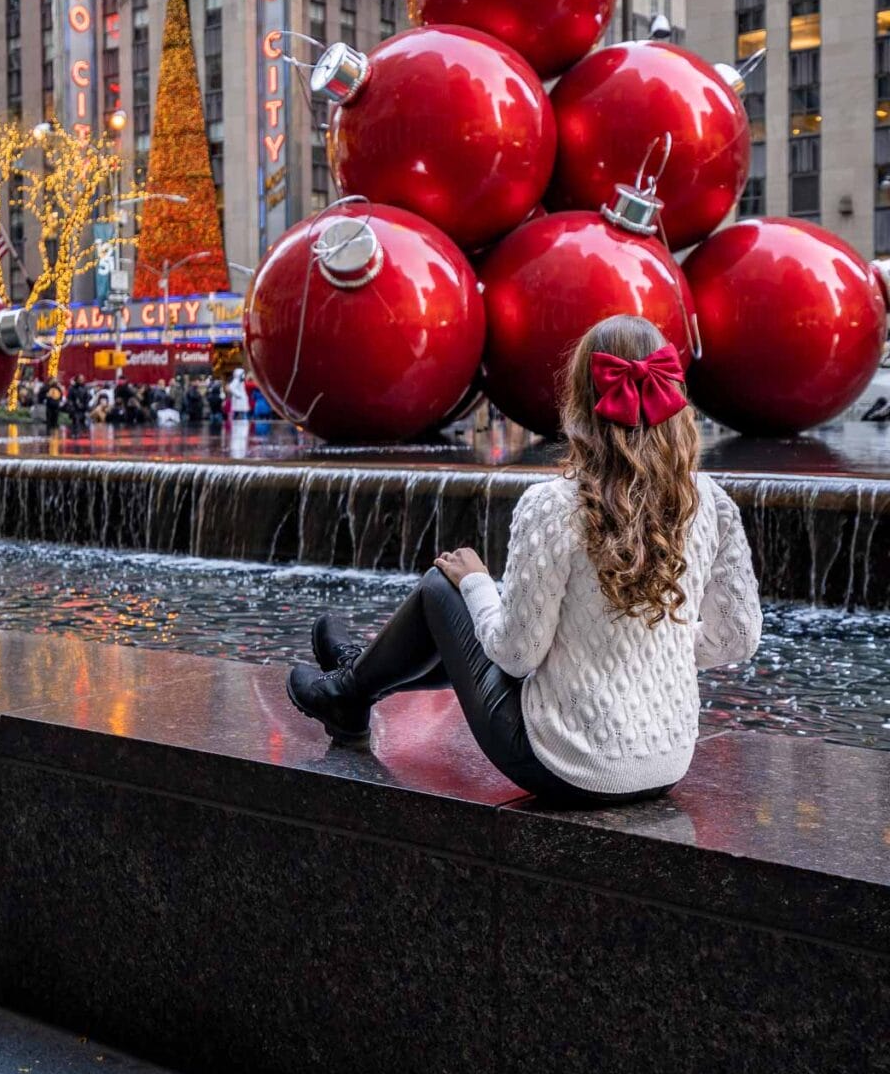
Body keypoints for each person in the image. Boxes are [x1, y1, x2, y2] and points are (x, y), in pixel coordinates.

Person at [288, 314, 762, 809]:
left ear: (580, 401)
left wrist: (475, 584)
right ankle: (357, 674)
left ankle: (350, 691)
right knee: (498, 612)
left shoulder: (553, 505)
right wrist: (651, 639)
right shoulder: (710, 501)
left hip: (565, 765)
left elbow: (516, 655)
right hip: (667, 762)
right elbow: (738, 636)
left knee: (440, 587)